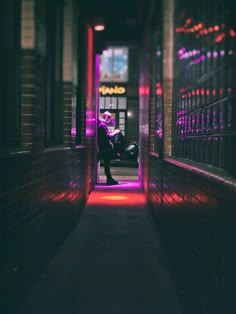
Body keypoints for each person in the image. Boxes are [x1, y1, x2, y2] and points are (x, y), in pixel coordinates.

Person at [97, 111, 120, 185]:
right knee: (107, 164)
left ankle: (109, 179)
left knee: (107, 164)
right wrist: (116, 132)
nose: (110, 119)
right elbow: (108, 136)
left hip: (104, 147)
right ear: (106, 117)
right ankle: (109, 179)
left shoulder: (102, 125)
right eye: (109, 117)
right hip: (105, 148)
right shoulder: (102, 125)